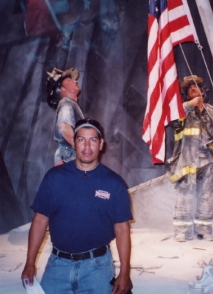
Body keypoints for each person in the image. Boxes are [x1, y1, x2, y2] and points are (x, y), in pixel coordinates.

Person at [21, 118, 133, 294]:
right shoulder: (54, 178)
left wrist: (125, 272)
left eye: (93, 140)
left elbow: (122, 228)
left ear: (101, 144)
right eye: (81, 139)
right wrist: (29, 263)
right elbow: (40, 220)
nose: (87, 146)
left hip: (97, 267)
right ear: (73, 143)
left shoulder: (114, 183)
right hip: (58, 266)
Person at [166, 75, 213, 242]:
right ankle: (182, 231)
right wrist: (189, 105)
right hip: (188, 160)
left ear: (203, 91)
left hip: (209, 161)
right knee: (185, 195)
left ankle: (203, 230)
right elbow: (172, 120)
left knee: (207, 196)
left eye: (196, 86)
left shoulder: (212, 112)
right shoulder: (182, 111)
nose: (193, 89)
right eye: (189, 88)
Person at [46, 67, 84, 166]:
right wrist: (82, 148)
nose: (74, 81)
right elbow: (63, 127)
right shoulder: (66, 102)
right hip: (69, 155)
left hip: (67, 155)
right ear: (62, 89)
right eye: (69, 80)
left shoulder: (70, 104)